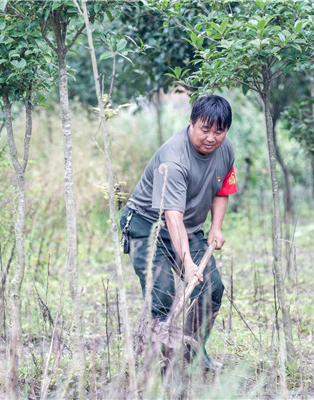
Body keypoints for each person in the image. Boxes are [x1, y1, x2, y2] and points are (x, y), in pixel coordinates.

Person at [120, 95, 237, 370]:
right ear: (192, 123)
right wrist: (187, 263)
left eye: (218, 131)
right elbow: (172, 217)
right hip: (147, 226)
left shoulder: (226, 149)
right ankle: (163, 362)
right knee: (163, 294)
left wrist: (216, 227)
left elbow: (223, 189)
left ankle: (193, 351)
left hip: (188, 227)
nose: (211, 138)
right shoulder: (173, 159)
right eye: (204, 129)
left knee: (211, 286)